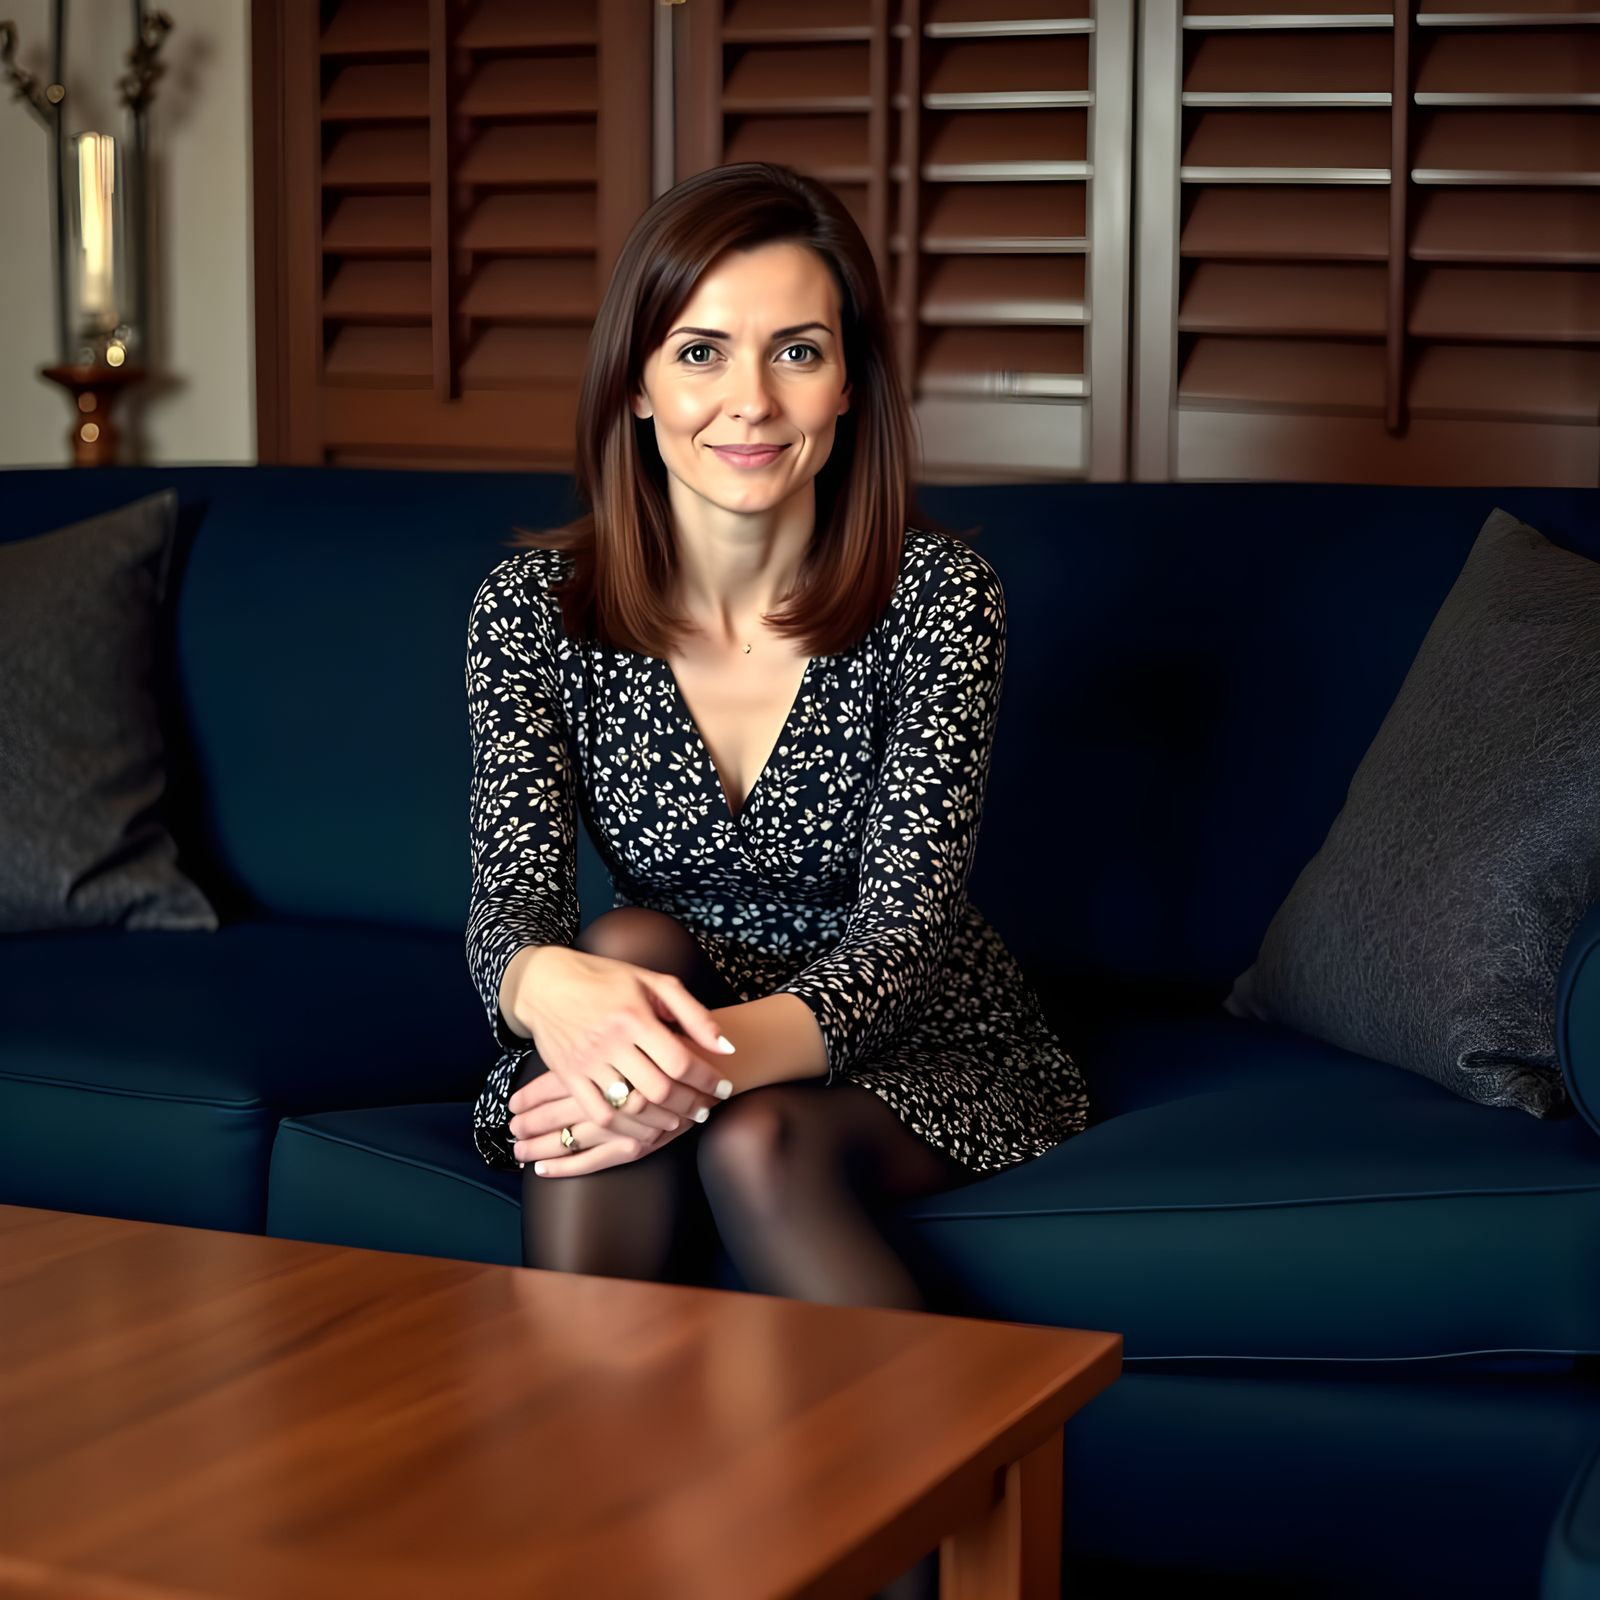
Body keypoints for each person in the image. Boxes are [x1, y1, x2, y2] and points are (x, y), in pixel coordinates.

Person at [463, 162, 1090, 1595]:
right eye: (701, 350)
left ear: (851, 386)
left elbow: (906, 936)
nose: (748, 402)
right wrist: (548, 981)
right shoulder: (533, 611)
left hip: (907, 1024)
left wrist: (699, 1070)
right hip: (675, 1003)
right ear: (634, 383)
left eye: (797, 351)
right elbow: (508, 907)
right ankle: (593, 1530)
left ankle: (937, 1552)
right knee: (619, 943)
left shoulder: (940, 598)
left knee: (748, 1139)